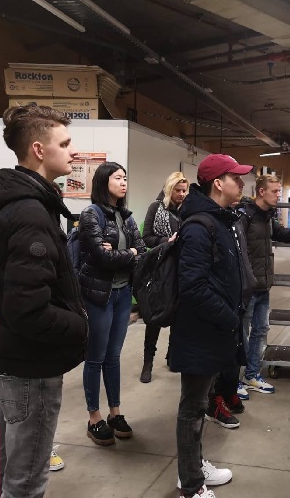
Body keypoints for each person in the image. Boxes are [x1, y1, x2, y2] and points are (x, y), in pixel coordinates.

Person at [0, 104, 87, 498]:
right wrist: (79, 325)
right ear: (39, 149)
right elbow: (28, 308)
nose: (73, 151)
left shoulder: (19, 203)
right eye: (66, 143)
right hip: (30, 367)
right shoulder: (30, 212)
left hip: (12, 358)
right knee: (26, 482)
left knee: (5, 471)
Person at [170, 153, 253, 498]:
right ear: (218, 183)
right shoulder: (199, 226)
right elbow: (193, 287)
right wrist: (230, 317)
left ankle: (194, 465)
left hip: (214, 331)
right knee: (192, 407)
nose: (242, 183)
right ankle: (190, 484)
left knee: (200, 404)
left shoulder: (221, 220)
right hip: (200, 332)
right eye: (236, 177)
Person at [78, 162, 146, 446]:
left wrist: (125, 252)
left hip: (121, 295)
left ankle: (115, 413)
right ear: (104, 181)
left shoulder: (126, 217)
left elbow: (142, 251)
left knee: (113, 356)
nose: (123, 182)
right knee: (95, 357)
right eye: (118, 177)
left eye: (125, 177)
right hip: (99, 294)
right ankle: (94, 418)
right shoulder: (90, 215)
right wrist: (128, 252)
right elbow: (102, 258)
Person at [237, 175, 290, 398]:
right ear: (261, 192)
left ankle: (251, 374)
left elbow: (278, 232)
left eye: (279, 191)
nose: (279, 195)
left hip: (264, 284)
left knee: (260, 331)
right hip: (247, 286)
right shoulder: (245, 214)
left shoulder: (268, 215)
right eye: (275, 191)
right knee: (242, 333)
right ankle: (232, 380)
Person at [140, 171, 189, 383]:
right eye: (177, 190)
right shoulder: (156, 208)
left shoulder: (188, 211)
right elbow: (146, 238)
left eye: (184, 190)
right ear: (169, 190)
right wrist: (167, 240)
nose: (181, 194)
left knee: (180, 316)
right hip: (161, 270)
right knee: (156, 317)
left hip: (182, 269)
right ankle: (148, 362)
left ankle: (172, 356)